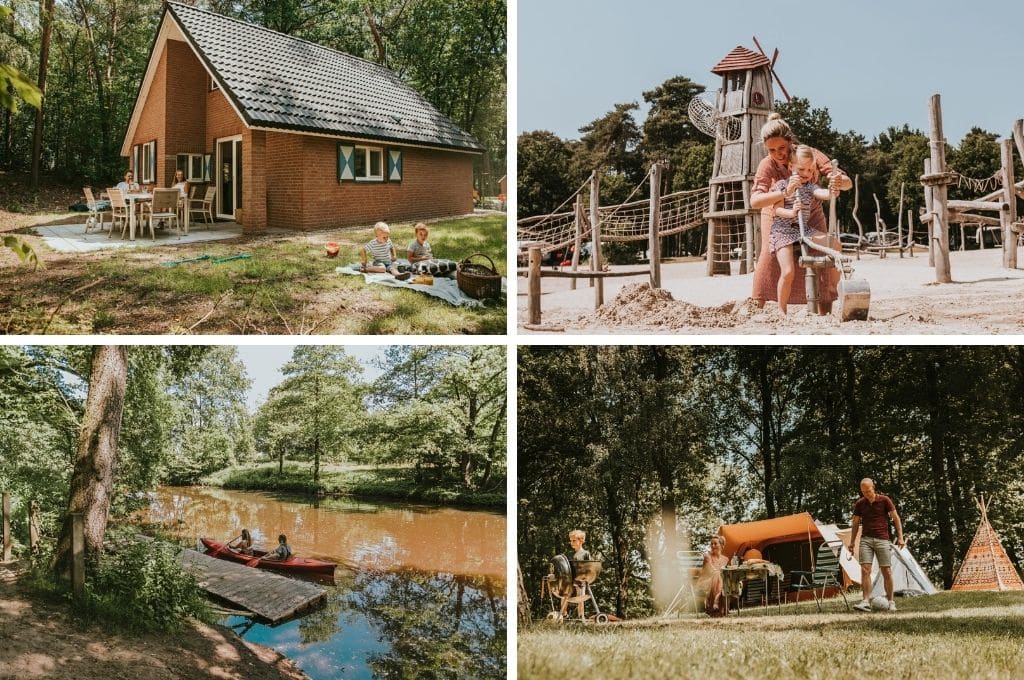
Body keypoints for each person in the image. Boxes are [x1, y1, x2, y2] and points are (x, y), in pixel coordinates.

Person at [750, 113, 851, 314]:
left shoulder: (808, 154)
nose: (778, 153)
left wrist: (837, 182)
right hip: (778, 213)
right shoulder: (767, 165)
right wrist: (784, 193)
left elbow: (845, 182)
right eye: (772, 150)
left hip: (810, 212)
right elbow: (755, 201)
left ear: (791, 141)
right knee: (769, 260)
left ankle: (826, 307)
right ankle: (757, 306)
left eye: (782, 148)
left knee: (823, 253)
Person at [768, 145, 836, 314]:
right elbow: (776, 210)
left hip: (803, 230)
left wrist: (832, 191)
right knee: (788, 271)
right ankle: (781, 310)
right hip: (782, 231)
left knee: (835, 245)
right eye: (801, 169)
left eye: (810, 169)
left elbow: (823, 194)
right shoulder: (782, 186)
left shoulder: (810, 187)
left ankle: (834, 287)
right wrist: (791, 212)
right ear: (790, 167)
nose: (806, 173)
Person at [847, 478, 905, 612]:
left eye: (868, 491)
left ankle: (891, 602)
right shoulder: (860, 503)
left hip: (882, 539)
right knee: (865, 570)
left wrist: (900, 537)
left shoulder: (885, 500)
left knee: (886, 571)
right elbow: (855, 523)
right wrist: (851, 542)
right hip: (866, 540)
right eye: (863, 492)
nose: (866, 494)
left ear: (873, 487)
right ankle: (865, 601)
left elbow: (896, 518)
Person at [697, 536, 730, 617]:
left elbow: (727, 573)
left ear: (722, 545)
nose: (712, 546)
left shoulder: (726, 559)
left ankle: (718, 605)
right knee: (717, 573)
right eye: (711, 544)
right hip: (706, 582)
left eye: (715, 544)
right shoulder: (707, 556)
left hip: (720, 583)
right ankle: (715, 602)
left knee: (722, 578)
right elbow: (712, 570)